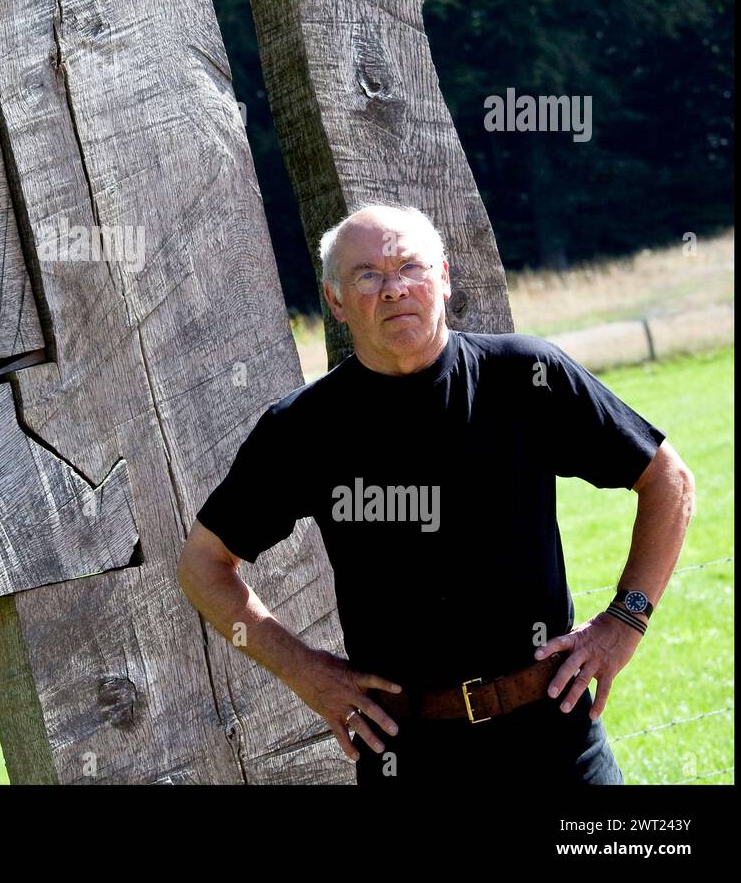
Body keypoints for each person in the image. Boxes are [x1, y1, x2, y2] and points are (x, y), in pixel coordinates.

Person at [177, 204, 695, 785]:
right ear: (336, 301)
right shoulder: (304, 429)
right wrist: (305, 671)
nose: (394, 289)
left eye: (410, 267)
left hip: (555, 741)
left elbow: (667, 481)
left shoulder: (525, 378)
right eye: (367, 275)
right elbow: (204, 564)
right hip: (409, 753)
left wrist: (625, 620)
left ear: (444, 279)